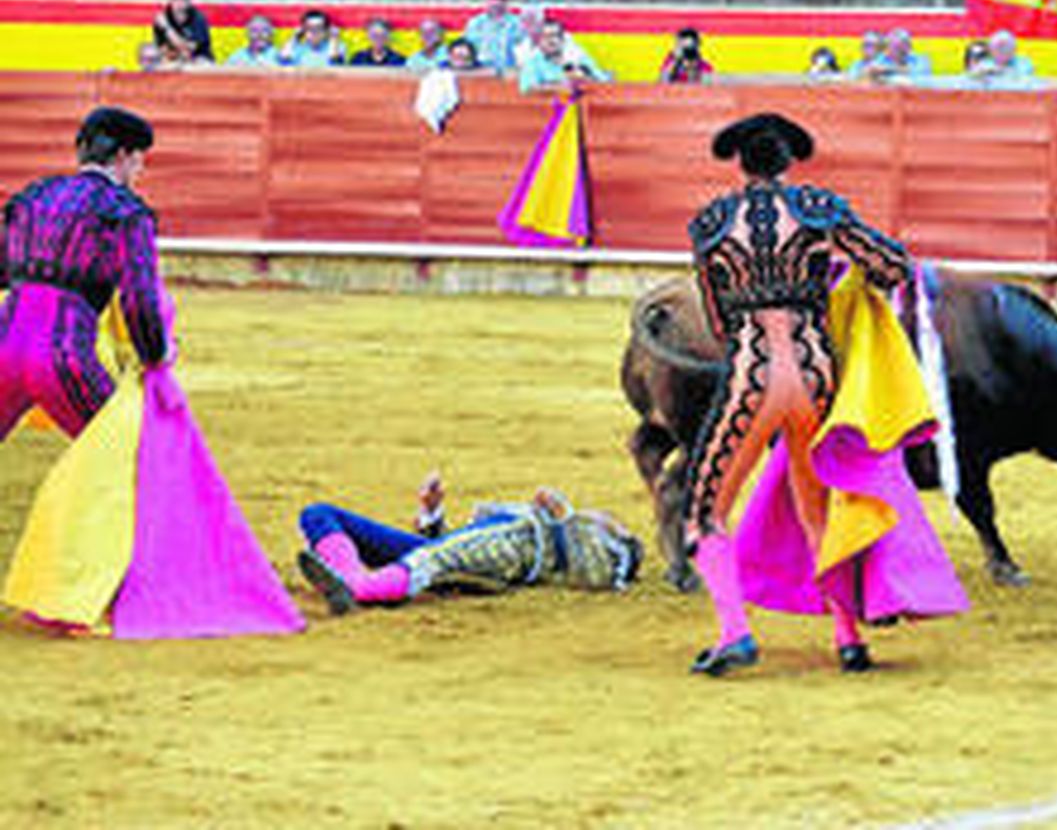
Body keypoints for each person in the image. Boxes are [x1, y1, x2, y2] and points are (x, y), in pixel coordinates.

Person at [681, 113, 915, 676]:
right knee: (818, 509)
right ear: (788, 162)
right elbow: (893, 265)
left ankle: (735, 633)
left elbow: (718, 320)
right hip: (814, 378)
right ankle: (848, 638)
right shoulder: (820, 209)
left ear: (740, 164)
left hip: (751, 375)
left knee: (703, 515)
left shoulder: (710, 223)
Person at [0, 108, 168, 439]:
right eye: (139, 159)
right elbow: (139, 300)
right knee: (124, 452)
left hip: (3, 347)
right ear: (123, 156)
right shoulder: (126, 212)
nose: (140, 170)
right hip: (62, 359)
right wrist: (154, 357)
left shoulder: (32, 197)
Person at [295, 473, 643, 613]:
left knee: (436, 560)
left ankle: (357, 589)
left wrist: (564, 515)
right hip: (485, 541)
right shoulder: (572, 524)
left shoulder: (617, 553)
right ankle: (350, 579)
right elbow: (454, 542)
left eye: (613, 523)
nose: (605, 516)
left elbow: (596, 575)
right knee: (319, 514)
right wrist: (432, 515)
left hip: (515, 551)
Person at [463, 0, 529, 74]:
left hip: (508, 73)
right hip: (479, 72)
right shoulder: (475, 23)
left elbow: (523, 54)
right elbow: (466, 52)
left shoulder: (517, 24)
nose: (498, 2)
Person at [151, 0, 213, 64]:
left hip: (198, 58)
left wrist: (167, 28)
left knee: (199, 62)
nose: (179, 1)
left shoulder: (198, 18)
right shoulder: (162, 18)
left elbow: (189, 49)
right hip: (175, 59)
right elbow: (162, 48)